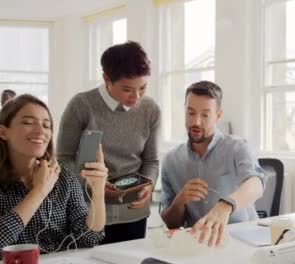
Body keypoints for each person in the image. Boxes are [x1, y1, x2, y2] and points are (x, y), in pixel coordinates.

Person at [57, 41, 160, 244]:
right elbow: (62, 160)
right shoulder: (81, 105)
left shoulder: (151, 109)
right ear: (106, 78)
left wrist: (148, 183)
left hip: (133, 214)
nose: (136, 97)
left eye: (143, 88)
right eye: (127, 89)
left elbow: (152, 162)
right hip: (87, 213)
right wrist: (93, 185)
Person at [160, 81, 265, 247]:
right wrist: (180, 201)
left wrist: (225, 206)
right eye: (191, 113)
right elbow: (171, 224)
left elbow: (256, 184)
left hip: (241, 241)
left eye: (205, 115)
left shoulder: (237, 147)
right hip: (197, 245)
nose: (196, 122)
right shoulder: (171, 160)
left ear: (218, 115)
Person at [0, 94, 107, 252]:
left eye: (46, 125)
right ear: (3, 132)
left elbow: (89, 238)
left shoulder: (64, 178)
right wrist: (39, 191)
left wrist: (98, 191)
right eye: (28, 122)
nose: (40, 131)